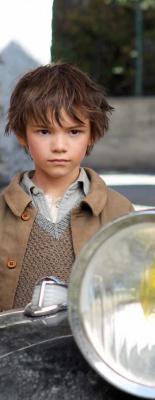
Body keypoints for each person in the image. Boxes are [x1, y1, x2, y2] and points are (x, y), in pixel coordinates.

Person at [0, 63, 134, 311]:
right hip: (11, 348)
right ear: (21, 134)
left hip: (84, 348)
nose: (59, 145)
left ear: (92, 134)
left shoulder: (119, 211)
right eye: (44, 131)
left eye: (74, 131)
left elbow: (132, 297)